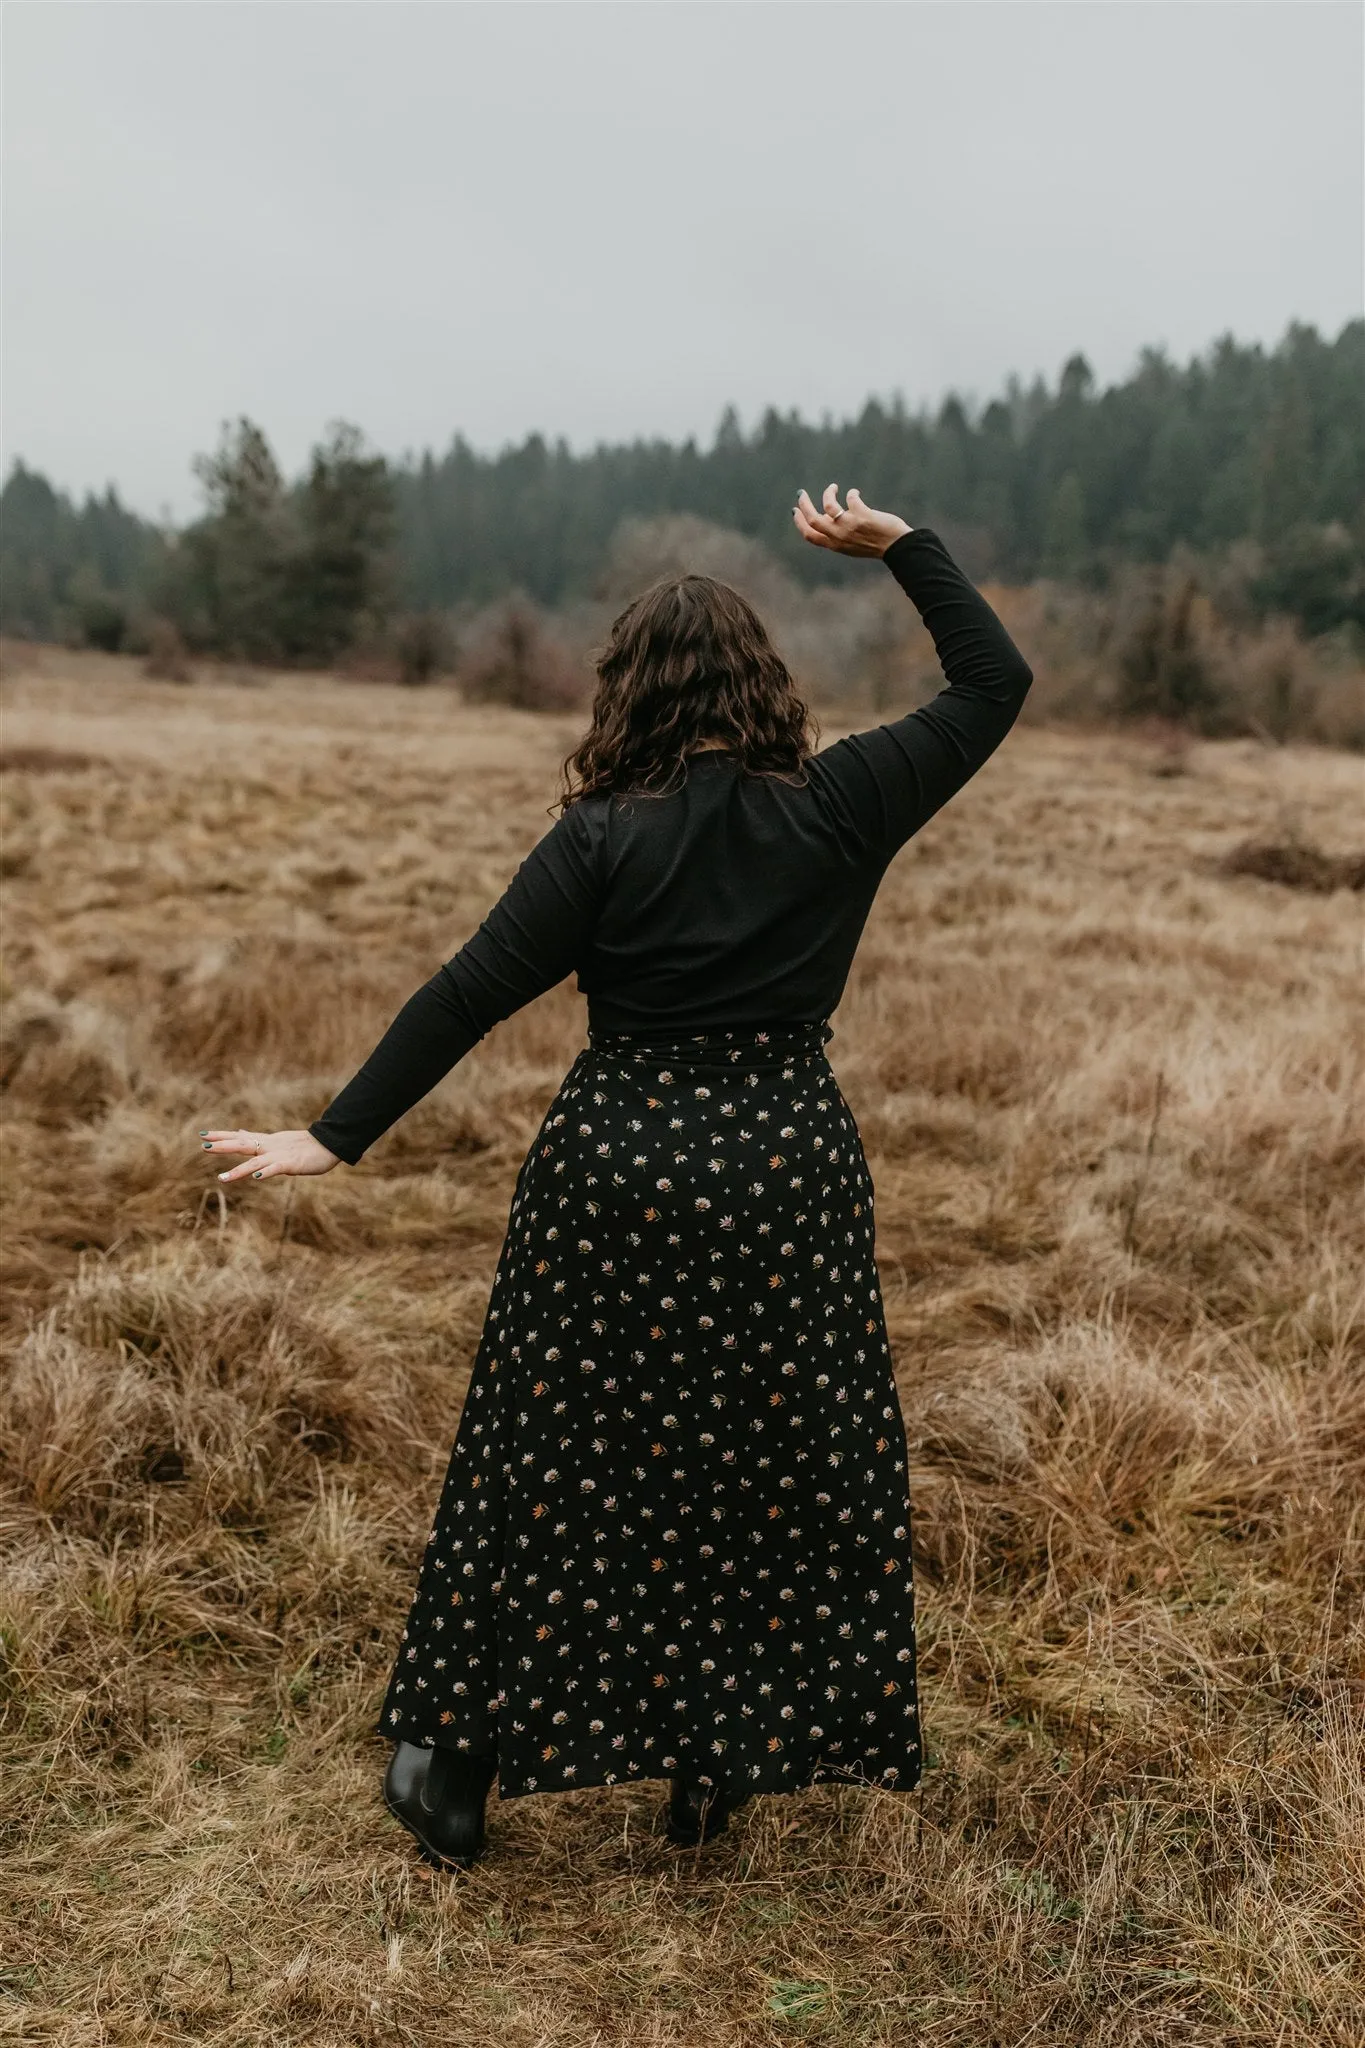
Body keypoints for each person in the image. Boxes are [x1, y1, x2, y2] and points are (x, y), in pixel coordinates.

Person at [200, 485, 1033, 1867]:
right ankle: (720, 1768)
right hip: (781, 1173)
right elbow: (995, 681)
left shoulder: (600, 839)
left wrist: (335, 1134)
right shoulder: (842, 801)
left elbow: (465, 992)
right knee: (767, 1475)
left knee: (555, 1470)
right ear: (764, 686)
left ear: (626, 696)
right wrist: (903, 550)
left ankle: (457, 1773)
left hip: (617, 1178)